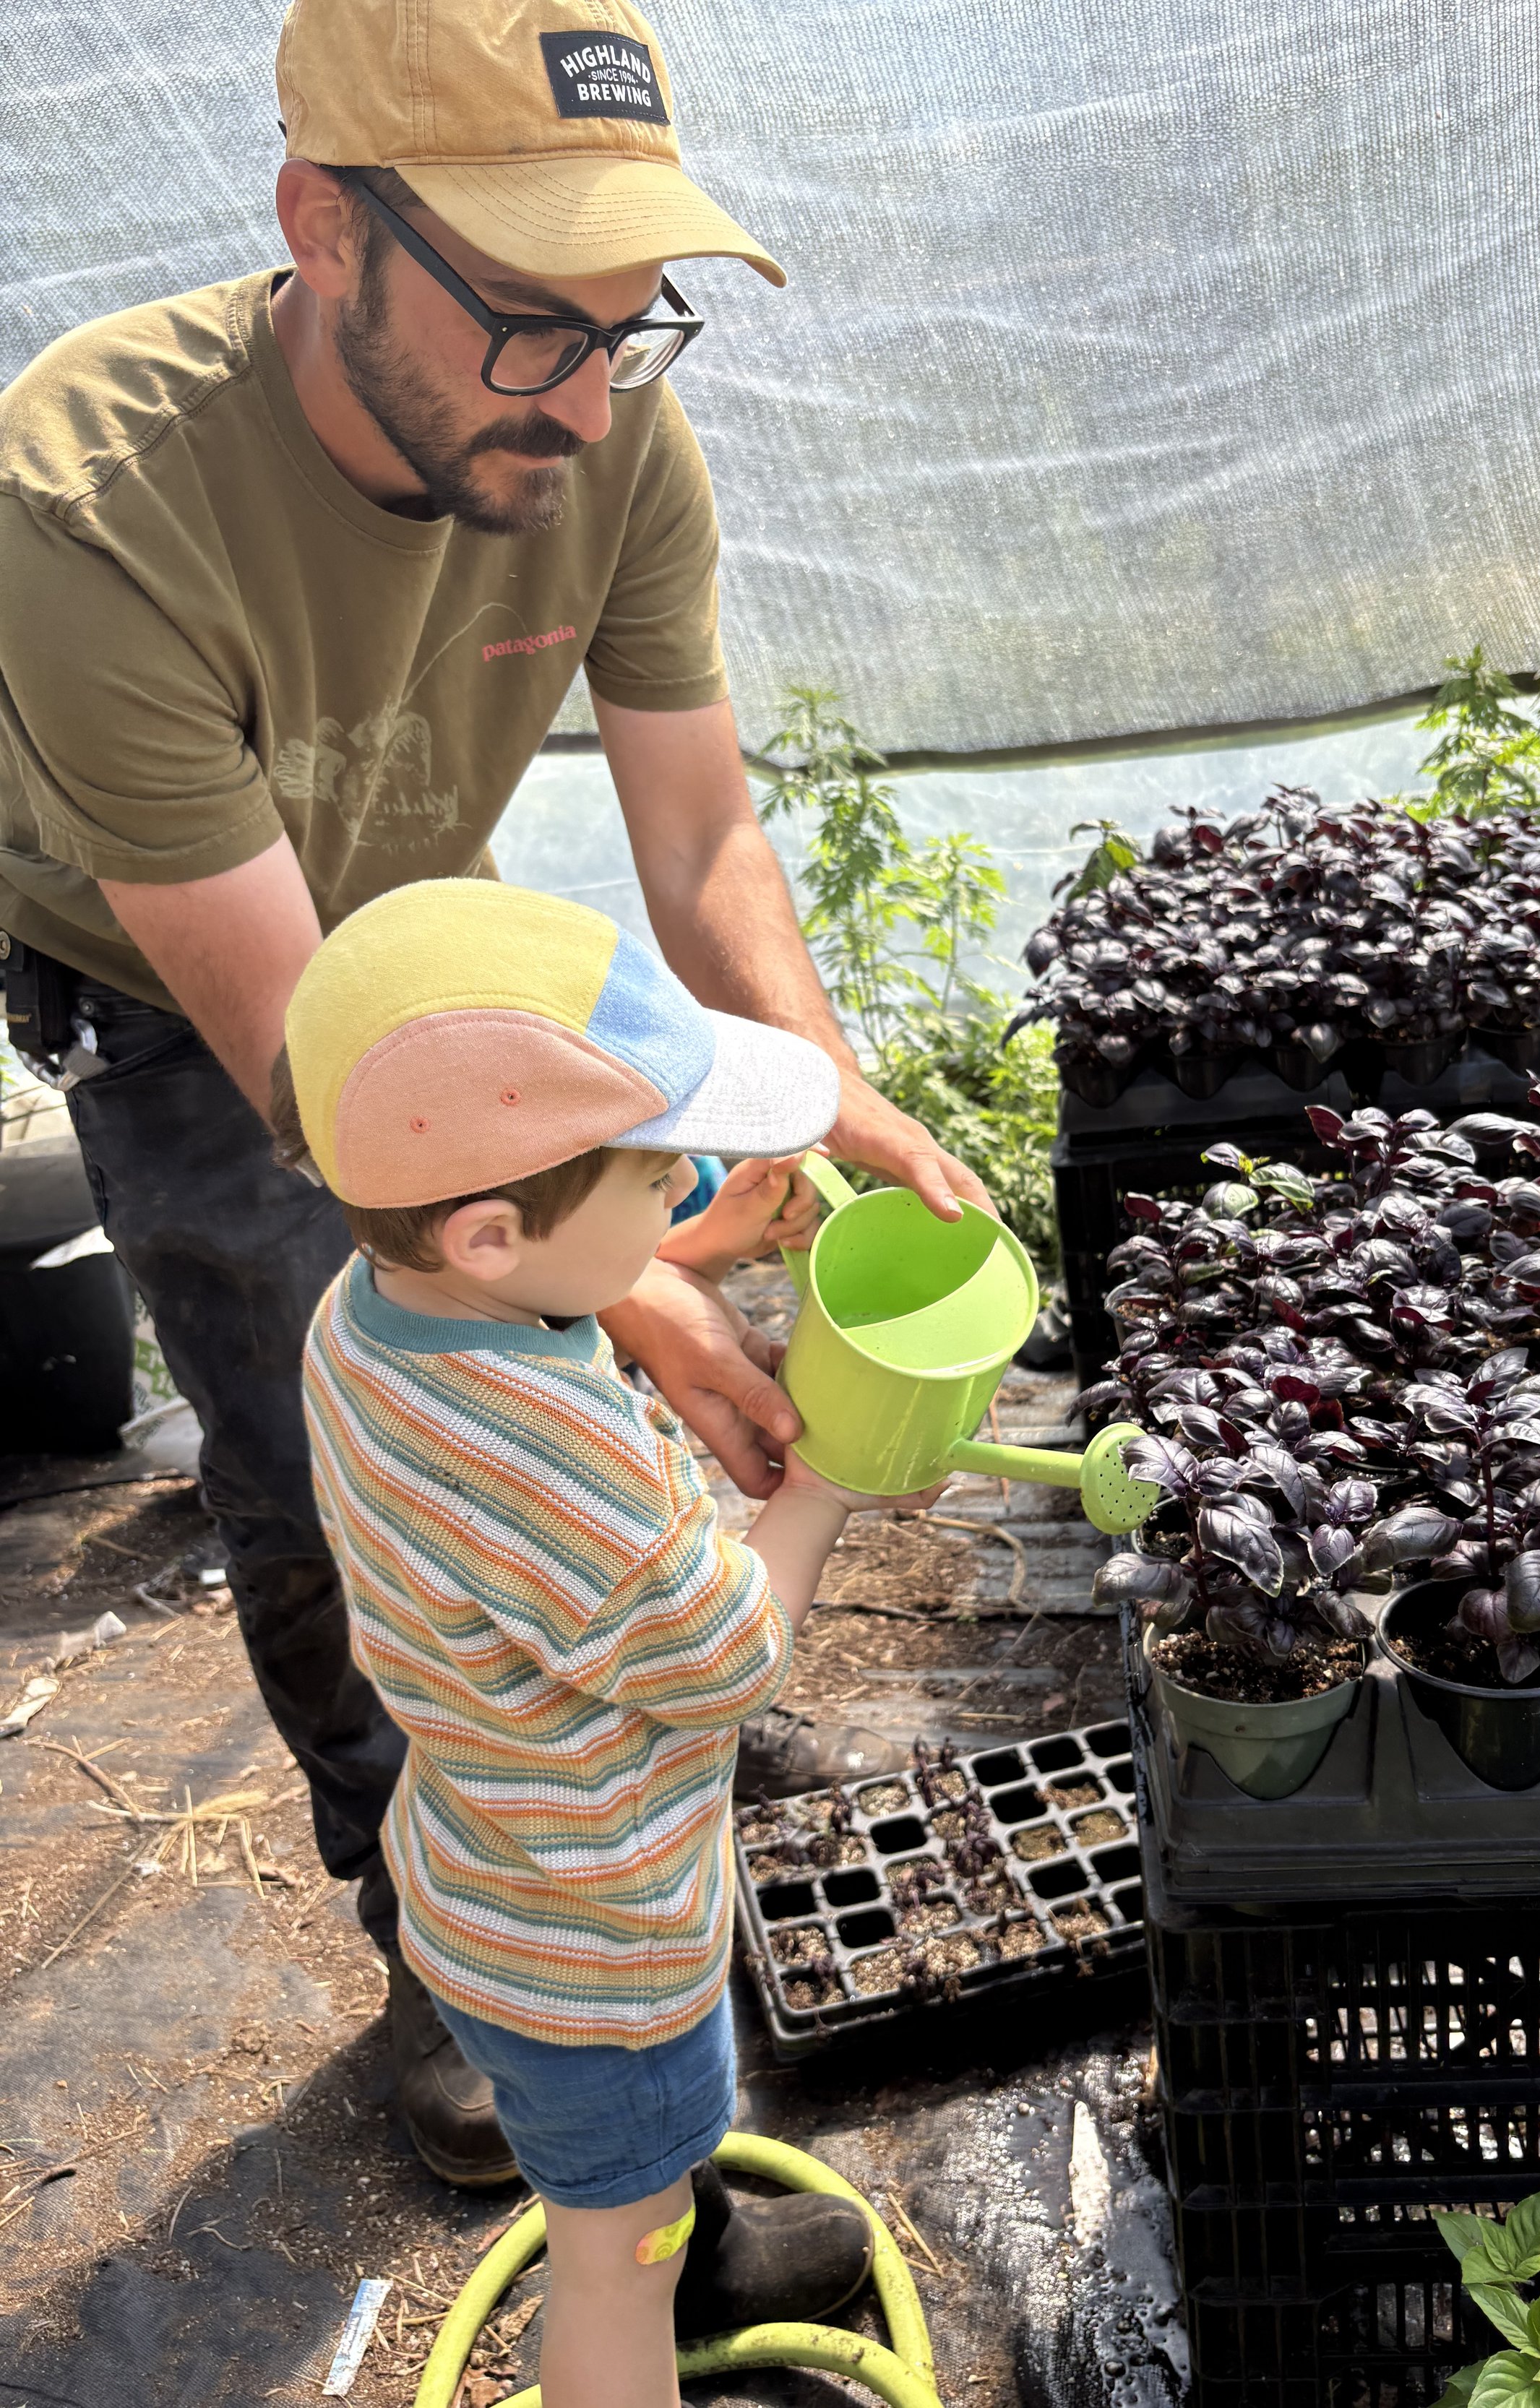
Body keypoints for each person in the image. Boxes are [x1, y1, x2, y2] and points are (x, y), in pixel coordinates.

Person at [0, 0, 985, 2180]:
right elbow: (312, 1076)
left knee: (559, 1309)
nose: (584, 390)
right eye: (530, 323)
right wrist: (627, 1290)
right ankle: (440, 1934)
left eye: (630, 324)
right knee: (316, 1417)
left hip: (424, 934)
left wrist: (823, 1089)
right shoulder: (84, 497)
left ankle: (623, 1716)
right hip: (189, 987)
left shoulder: (608, 440)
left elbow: (705, 835)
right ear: (318, 231)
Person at [283, 878, 943, 2397]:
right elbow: (724, 1655)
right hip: (599, 1943)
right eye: (661, 1178)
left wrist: (685, 1243)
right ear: (495, 1227)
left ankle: (668, 2220)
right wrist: (833, 1475)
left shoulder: (378, 1309)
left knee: (627, 2200)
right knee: (614, 2269)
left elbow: (553, 1300)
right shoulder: (537, 1448)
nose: (682, 1195)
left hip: (489, 1859)